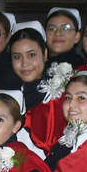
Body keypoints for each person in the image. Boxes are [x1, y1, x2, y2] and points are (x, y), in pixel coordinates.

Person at [9, 23, 74, 157]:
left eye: (31, 55)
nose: (24, 63)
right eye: (17, 57)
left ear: (45, 54)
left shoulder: (55, 97)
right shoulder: (10, 93)